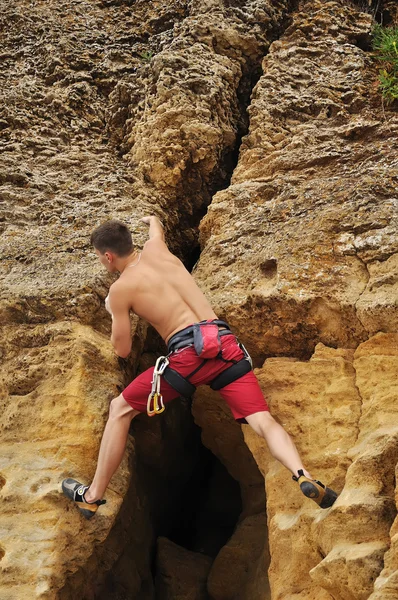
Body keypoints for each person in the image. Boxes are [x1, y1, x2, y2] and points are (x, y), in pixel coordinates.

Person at [62, 217, 337, 519]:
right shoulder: (157, 249)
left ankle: (91, 496)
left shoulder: (120, 290)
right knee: (262, 420)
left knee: (120, 409)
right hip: (225, 345)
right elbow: (157, 226)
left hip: (187, 357)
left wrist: (113, 311)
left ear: (108, 256)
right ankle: (302, 474)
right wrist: (151, 220)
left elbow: (122, 349)